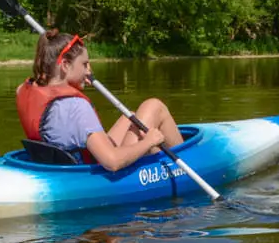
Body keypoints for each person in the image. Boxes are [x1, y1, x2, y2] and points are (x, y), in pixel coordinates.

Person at [16, 30, 185, 169]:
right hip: (93, 173)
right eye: (84, 64)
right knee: (153, 106)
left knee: (131, 118)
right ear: (66, 65)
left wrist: (74, 81)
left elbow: (53, 91)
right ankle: (186, 163)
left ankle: (159, 158)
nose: (89, 71)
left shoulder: (24, 90)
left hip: (60, 163)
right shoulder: (76, 107)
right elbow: (112, 162)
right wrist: (148, 142)